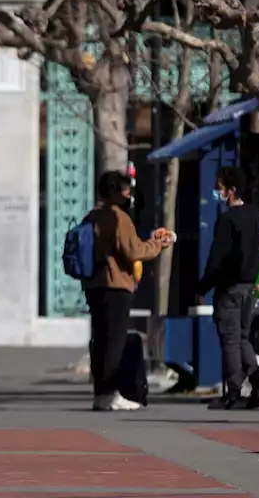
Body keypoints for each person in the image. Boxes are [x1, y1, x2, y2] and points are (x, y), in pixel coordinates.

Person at [80, 170, 170, 412]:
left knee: (100, 340)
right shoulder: (118, 218)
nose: (128, 195)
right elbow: (133, 251)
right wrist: (158, 244)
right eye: (125, 191)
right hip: (116, 286)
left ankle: (100, 394)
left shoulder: (91, 216)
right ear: (116, 193)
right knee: (115, 340)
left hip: (93, 285)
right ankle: (110, 394)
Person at [198, 166, 259, 410]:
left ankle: (234, 393)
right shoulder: (257, 216)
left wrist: (202, 287)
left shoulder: (228, 220)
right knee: (243, 336)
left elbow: (216, 259)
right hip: (252, 286)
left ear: (232, 191)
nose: (217, 192)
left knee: (230, 339)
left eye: (220, 187)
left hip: (229, 288)